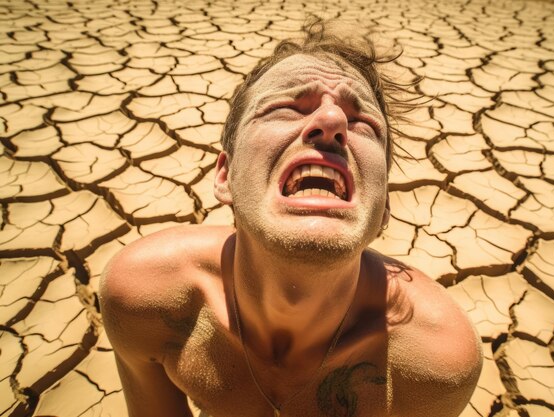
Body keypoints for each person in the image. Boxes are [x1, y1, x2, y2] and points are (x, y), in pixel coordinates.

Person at [100, 20, 482, 417]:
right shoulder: (145, 297)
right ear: (225, 176)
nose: (331, 123)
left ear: (383, 207)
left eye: (362, 123)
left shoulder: (433, 362)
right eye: (285, 108)